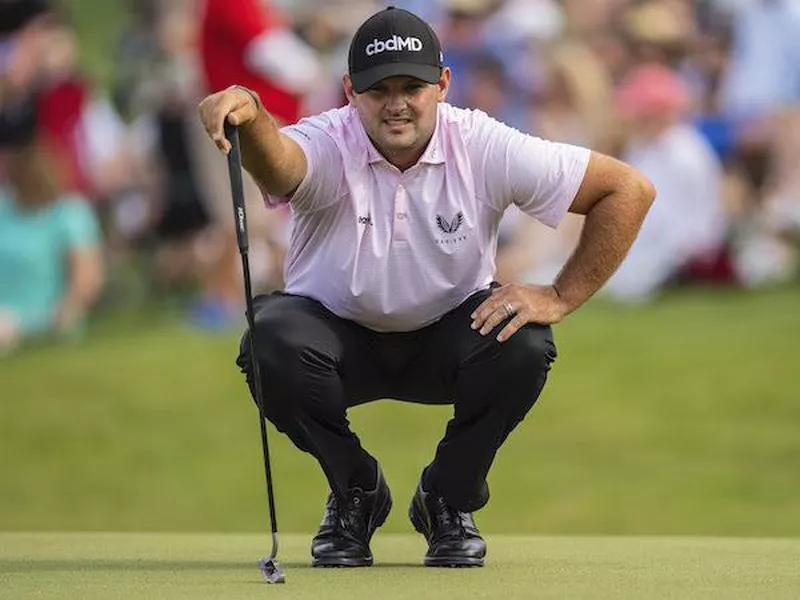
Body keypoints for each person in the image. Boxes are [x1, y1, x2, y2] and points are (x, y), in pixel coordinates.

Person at [197, 7, 655, 568]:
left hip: (449, 338)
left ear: (442, 83)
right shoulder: (327, 137)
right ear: (349, 91)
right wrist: (252, 112)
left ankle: (447, 498)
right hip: (335, 342)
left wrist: (559, 296)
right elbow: (281, 167)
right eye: (378, 89)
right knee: (269, 339)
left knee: (525, 342)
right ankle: (356, 492)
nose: (396, 103)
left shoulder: (483, 143)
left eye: (412, 86)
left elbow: (627, 190)